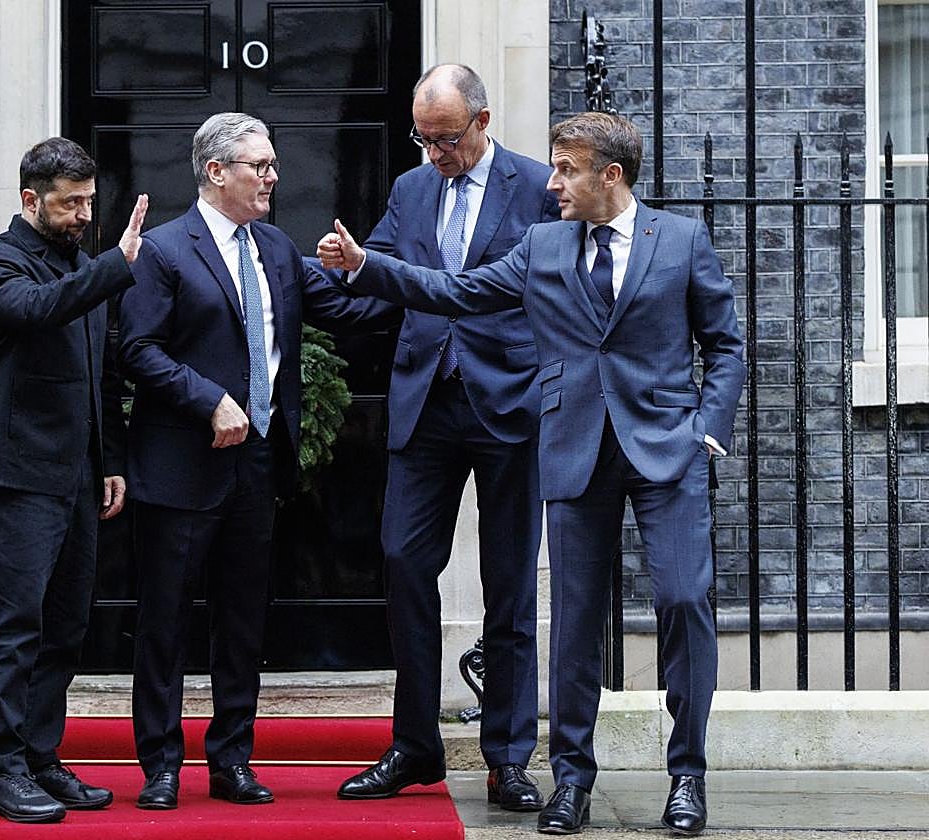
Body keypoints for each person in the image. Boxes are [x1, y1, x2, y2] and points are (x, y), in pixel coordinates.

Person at [319, 111, 745, 837]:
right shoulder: (543, 245)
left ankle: (687, 776)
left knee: (683, 601)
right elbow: (459, 292)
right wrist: (367, 267)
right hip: (574, 445)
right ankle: (572, 780)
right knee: (574, 623)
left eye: (566, 170)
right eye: (552, 167)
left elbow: (725, 344)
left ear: (609, 175)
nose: (551, 184)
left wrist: (706, 427)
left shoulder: (679, 240)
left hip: (666, 450)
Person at [119, 112, 399, 811]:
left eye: (272, 165)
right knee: (166, 621)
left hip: (256, 467)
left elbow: (346, 310)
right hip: (181, 465)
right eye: (259, 166)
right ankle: (159, 764)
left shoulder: (274, 248)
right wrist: (207, 399)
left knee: (243, 620)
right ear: (216, 172)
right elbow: (137, 349)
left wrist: (387, 279)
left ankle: (231, 760)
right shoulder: (163, 251)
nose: (273, 176)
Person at [334, 64, 558, 812]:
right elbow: (376, 273)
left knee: (510, 589)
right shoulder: (410, 188)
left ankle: (508, 758)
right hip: (424, 400)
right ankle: (414, 747)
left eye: (447, 138)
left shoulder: (538, 187)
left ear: (483, 123)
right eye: (423, 138)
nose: (435, 153)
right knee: (402, 565)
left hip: (509, 403)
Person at [0, 137, 149, 823]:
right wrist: (113, 266)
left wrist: (111, 462)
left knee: (65, 628)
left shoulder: (80, 265)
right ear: (30, 199)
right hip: (20, 475)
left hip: (78, 477)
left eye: (87, 203)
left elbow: (102, 375)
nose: (82, 215)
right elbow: (40, 312)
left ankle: (41, 759)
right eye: (70, 204)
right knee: (14, 626)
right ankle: (2, 770)